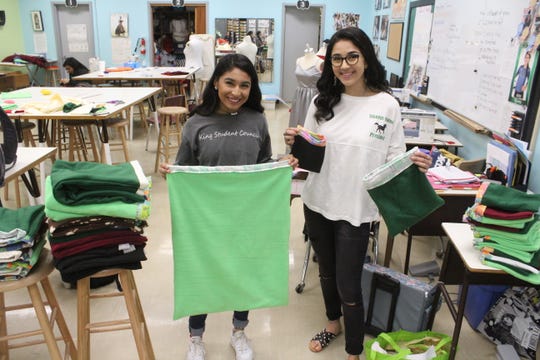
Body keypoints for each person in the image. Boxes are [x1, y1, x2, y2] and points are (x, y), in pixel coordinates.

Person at [283, 27, 432, 360]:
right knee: (326, 272)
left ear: (365, 58)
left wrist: (414, 162)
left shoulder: (387, 104)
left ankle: (354, 350)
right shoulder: (323, 101)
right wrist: (294, 144)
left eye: (352, 56)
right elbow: (309, 149)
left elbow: (395, 156)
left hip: (357, 207)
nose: (344, 65)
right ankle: (332, 324)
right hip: (318, 200)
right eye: (336, 58)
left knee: (349, 284)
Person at [159, 53, 297, 360]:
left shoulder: (257, 120)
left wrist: (281, 166)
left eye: (245, 85)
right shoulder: (196, 123)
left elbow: (261, 165)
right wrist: (173, 173)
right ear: (216, 83)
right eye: (229, 83)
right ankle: (196, 337)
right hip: (206, 219)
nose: (236, 92)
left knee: (243, 271)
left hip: (246, 216)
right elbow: (185, 168)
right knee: (201, 271)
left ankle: (239, 332)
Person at [289, 46, 324, 128]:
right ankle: (297, 139)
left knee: (310, 121)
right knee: (296, 119)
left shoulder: (320, 62)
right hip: (299, 95)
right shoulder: (298, 60)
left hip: (313, 96)